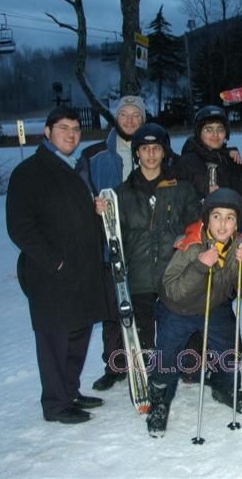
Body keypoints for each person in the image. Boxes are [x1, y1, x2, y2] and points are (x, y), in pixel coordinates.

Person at [6, 106, 109, 424]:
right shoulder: (30, 172)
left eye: (76, 129)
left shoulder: (77, 167)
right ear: (48, 132)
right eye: (64, 128)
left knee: (78, 333)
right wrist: (56, 262)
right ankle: (55, 404)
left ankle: (70, 391)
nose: (71, 134)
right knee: (54, 339)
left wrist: (95, 211)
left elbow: (71, 213)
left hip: (82, 271)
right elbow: (20, 227)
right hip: (52, 274)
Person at [146, 188, 242, 437]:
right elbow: (172, 289)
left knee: (228, 348)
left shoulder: (240, 246)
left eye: (229, 217)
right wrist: (200, 266)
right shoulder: (191, 244)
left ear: (237, 223)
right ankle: (159, 401)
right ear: (206, 219)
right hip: (177, 309)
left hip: (214, 307)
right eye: (216, 216)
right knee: (167, 355)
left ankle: (225, 388)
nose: (222, 224)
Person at [98, 124, 200, 352]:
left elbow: (196, 226)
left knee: (176, 334)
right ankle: (145, 370)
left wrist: (187, 242)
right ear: (137, 153)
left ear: (164, 152)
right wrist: (102, 215)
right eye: (145, 149)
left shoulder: (182, 189)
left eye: (156, 148)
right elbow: (114, 237)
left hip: (174, 276)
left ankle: (186, 364)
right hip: (139, 278)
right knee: (144, 340)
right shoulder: (121, 194)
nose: (151, 154)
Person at [78, 94, 147, 392]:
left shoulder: (154, 150)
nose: (130, 120)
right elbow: (78, 193)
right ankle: (115, 365)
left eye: (136, 116)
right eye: (124, 115)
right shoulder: (95, 155)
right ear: (116, 118)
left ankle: (145, 360)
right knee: (112, 308)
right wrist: (90, 206)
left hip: (144, 246)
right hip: (110, 244)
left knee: (145, 305)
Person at [178, 105, 242, 198]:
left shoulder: (232, 162)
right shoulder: (186, 164)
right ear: (199, 133)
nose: (215, 135)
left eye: (220, 129)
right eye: (208, 130)